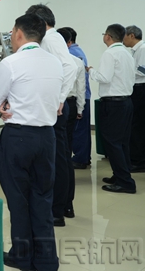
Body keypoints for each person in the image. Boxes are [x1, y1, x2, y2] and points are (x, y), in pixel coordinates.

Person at [0, 13, 62, 271]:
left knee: (18, 200)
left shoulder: (11, 62)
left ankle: (22, 256)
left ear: (19, 33)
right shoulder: (55, 62)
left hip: (18, 137)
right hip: (47, 137)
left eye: (12, 32)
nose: (11, 36)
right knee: (42, 197)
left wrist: (5, 103)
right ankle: (47, 260)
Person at [24, 5, 77, 227]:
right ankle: (64, 205)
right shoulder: (51, 39)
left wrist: (59, 98)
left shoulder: (51, 39)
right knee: (61, 156)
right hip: (54, 107)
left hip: (55, 108)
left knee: (58, 158)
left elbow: (70, 67)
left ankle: (57, 209)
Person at [86, 24, 136, 194]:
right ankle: (121, 174)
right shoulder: (127, 53)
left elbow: (104, 77)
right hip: (126, 102)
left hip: (114, 104)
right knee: (122, 142)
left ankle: (125, 182)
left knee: (113, 142)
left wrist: (91, 71)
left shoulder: (110, 53)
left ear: (108, 36)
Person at [57, 27, 86, 219]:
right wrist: (80, 109)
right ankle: (68, 205)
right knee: (65, 153)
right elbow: (81, 88)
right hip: (71, 105)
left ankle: (59, 204)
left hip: (57, 107)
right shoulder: (77, 61)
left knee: (57, 155)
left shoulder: (53, 61)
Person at [123, 25, 145, 172]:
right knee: (136, 125)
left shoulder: (144, 49)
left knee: (136, 126)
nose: (123, 39)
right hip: (137, 89)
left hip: (141, 89)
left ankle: (138, 161)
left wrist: (124, 72)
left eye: (124, 36)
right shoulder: (135, 50)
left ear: (132, 35)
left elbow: (144, 71)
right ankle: (142, 158)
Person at [63, 27, 92, 169]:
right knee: (78, 131)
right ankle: (81, 158)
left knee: (77, 132)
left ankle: (80, 159)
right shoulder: (78, 52)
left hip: (75, 98)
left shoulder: (71, 54)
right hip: (80, 97)